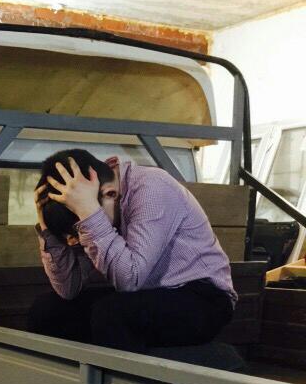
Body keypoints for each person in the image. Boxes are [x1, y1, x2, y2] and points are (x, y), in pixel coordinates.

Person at [28, 149, 237, 352]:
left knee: (111, 313)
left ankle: (122, 378)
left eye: (80, 227)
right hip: (145, 293)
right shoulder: (99, 201)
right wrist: (46, 229)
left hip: (203, 298)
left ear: (110, 193)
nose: (79, 236)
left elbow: (131, 279)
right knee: (46, 310)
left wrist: (89, 214)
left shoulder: (152, 187)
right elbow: (68, 288)